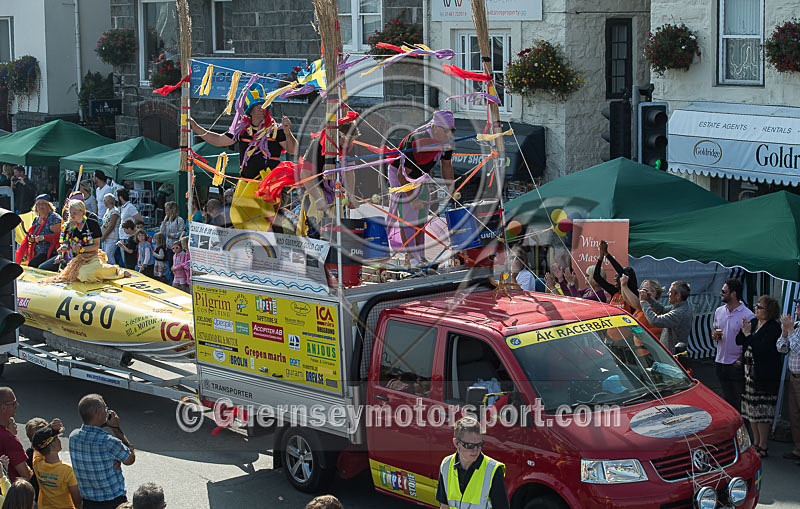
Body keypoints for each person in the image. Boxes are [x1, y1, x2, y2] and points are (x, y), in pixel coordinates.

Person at [189, 83, 297, 232]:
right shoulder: (242, 130)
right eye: (258, 106)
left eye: (264, 106)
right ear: (250, 111)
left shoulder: (275, 130)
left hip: (268, 185)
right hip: (246, 183)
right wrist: (196, 128)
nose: (261, 109)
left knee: (266, 221)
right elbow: (219, 140)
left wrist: (287, 131)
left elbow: (293, 149)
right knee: (240, 217)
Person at [387, 110, 455, 267]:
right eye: (446, 130)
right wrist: (412, 198)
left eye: (452, 130)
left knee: (421, 218)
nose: (449, 134)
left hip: (420, 176)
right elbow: (402, 175)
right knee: (408, 217)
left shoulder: (447, 141)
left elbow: (446, 166)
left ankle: (420, 256)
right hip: (401, 176)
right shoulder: (417, 140)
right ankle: (411, 257)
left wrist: (451, 188)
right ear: (436, 128)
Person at [69, 394, 135, 509]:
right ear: (97, 412)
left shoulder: (73, 437)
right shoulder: (109, 442)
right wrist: (117, 430)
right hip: (114, 502)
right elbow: (130, 459)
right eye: (105, 408)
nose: (107, 411)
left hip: (88, 502)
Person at [736, 295, 782, 458]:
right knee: (750, 410)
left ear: (768, 311)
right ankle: (755, 442)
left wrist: (748, 335)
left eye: (759, 307)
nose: (756, 308)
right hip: (749, 374)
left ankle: (763, 444)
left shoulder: (774, 328)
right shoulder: (754, 323)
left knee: (762, 410)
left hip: (764, 376)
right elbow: (740, 341)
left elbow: (762, 349)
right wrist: (743, 331)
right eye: (756, 306)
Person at [46, 200, 127, 283]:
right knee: (80, 274)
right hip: (75, 258)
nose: (72, 215)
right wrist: (62, 250)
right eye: (70, 213)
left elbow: (96, 245)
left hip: (92, 256)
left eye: (74, 213)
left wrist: (82, 249)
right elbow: (65, 243)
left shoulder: (92, 223)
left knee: (86, 274)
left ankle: (115, 271)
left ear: (82, 212)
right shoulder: (68, 226)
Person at [436, 416, 508, 509]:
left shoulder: (493, 471)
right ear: (456, 443)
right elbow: (444, 506)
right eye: (469, 446)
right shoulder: (446, 465)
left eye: (479, 445)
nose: (475, 450)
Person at [714, 279, 754, 413]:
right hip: (720, 362)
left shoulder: (748, 315)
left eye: (724, 291)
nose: (721, 293)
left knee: (739, 401)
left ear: (734, 294)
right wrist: (714, 335)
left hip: (736, 364)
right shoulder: (719, 311)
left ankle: (743, 431)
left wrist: (740, 360)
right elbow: (715, 329)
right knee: (726, 401)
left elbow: (750, 342)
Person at [31, 425, 81, 509]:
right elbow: (77, 501)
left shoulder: (37, 463)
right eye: (57, 438)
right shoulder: (68, 471)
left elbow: (36, 444)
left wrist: (49, 427)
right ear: (52, 445)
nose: (59, 440)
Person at [639, 281, 693, 354]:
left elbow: (655, 321)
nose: (668, 294)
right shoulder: (679, 308)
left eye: (670, 292)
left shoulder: (680, 312)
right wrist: (649, 299)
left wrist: (643, 302)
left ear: (678, 296)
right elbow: (662, 310)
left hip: (673, 356)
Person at [778, 299, 800, 464]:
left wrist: (790, 329)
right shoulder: (797, 327)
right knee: (794, 415)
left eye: (799, 305)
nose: (796, 307)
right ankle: (798, 449)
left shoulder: (795, 328)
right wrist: (785, 333)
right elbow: (781, 348)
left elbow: (798, 349)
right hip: (793, 376)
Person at [15, 195, 62, 268]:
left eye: (43, 203)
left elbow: (60, 236)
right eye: (38, 204)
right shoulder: (36, 219)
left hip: (50, 253)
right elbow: (32, 235)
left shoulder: (54, 218)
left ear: (49, 205)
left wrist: (44, 237)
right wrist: (31, 239)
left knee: (33, 265)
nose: (40, 206)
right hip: (38, 253)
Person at [592, 240, 638, 313]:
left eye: (618, 276)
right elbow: (596, 277)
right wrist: (601, 258)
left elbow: (621, 271)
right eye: (615, 276)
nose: (615, 279)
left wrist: (607, 254)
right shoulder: (614, 291)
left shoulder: (633, 292)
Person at [0, 388, 31, 482]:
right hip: (8, 493)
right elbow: (26, 474)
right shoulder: (8, 438)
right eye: (13, 403)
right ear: (3, 407)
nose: (17, 405)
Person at [158, 201, 184, 270]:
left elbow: (181, 232)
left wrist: (172, 235)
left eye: (168, 210)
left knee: (177, 266)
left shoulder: (179, 220)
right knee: (170, 265)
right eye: (166, 210)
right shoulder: (167, 221)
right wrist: (164, 221)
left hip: (177, 246)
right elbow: (162, 231)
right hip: (169, 246)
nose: (166, 212)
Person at [100, 194, 121, 265]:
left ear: (108, 201)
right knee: (104, 256)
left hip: (112, 237)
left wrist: (104, 236)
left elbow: (111, 226)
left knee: (109, 256)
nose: (103, 202)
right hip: (106, 237)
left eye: (104, 200)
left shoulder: (115, 211)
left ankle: (114, 270)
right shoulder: (108, 210)